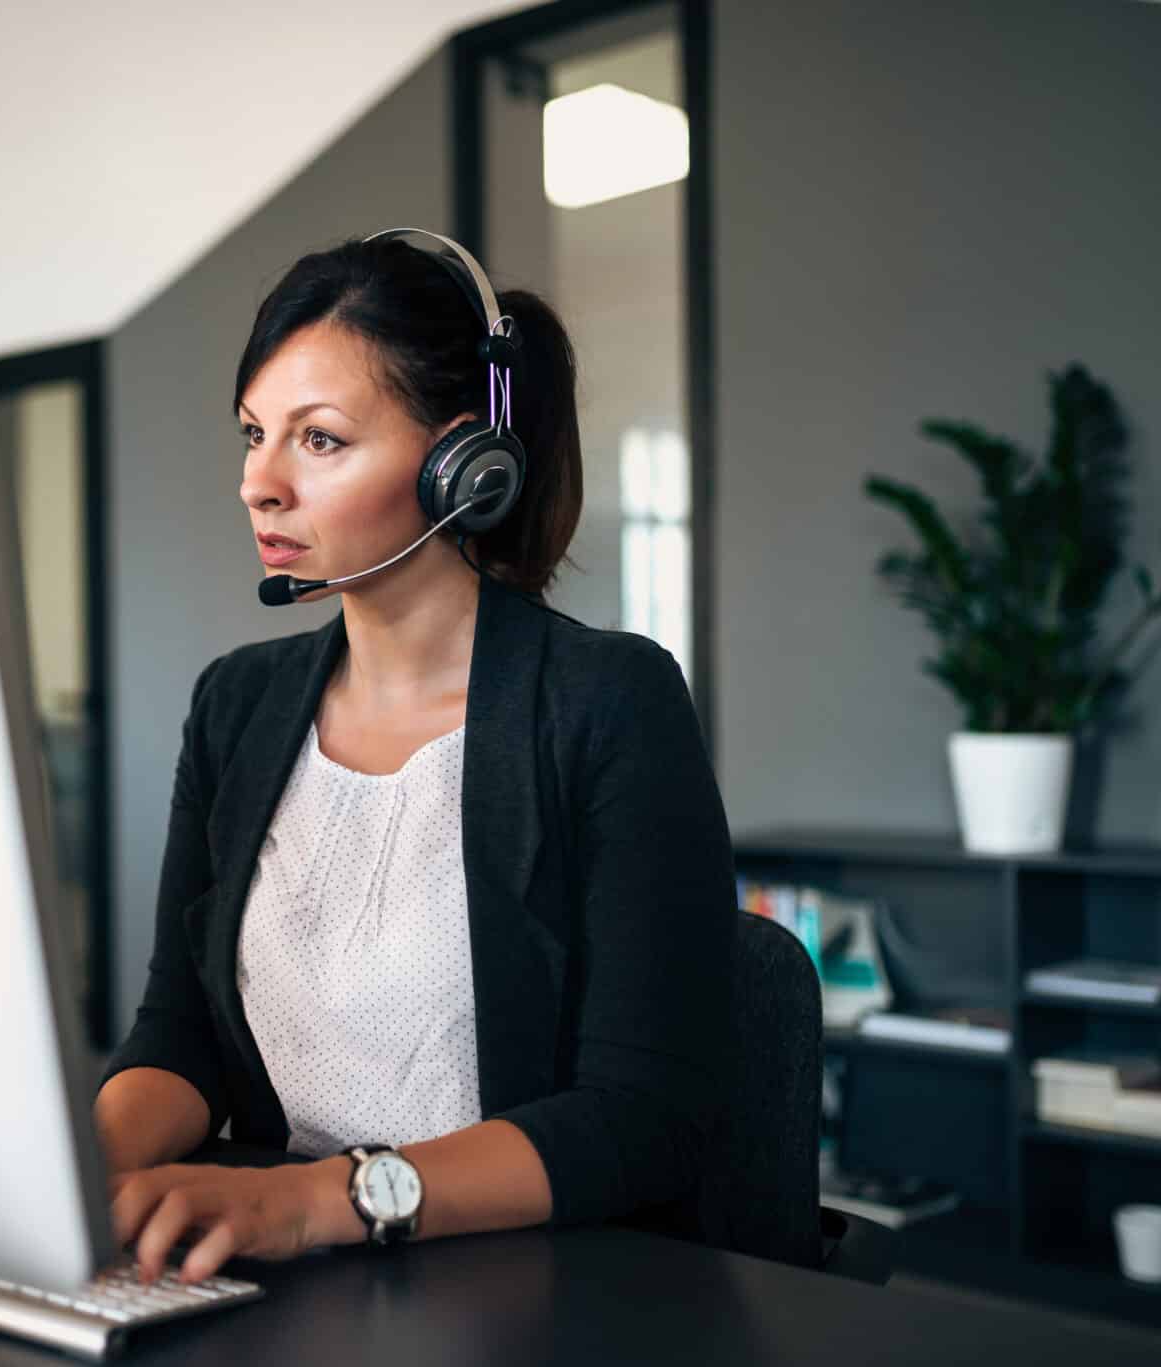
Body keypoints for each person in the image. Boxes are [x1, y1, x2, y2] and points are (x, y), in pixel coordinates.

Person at [94, 231, 735, 1286]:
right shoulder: (235, 705)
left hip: (523, 1279)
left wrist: (314, 1198)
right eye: (254, 433)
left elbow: (641, 1115)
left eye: (320, 440)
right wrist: (80, 1169)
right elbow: (180, 1033)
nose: (259, 483)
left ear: (461, 467)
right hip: (267, 1257)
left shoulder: (605, 702)